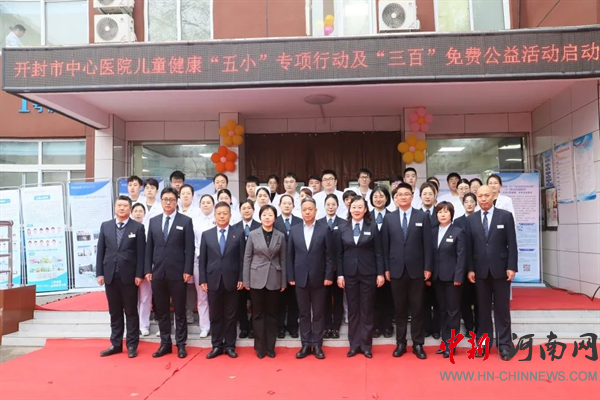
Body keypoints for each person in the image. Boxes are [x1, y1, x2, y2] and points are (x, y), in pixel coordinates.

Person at [382, 183, 433, 360]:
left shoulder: (423, 216)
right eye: (399, 195)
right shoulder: (389, 218)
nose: (403, 197)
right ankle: (401, 342)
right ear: (395, 198)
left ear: (412, 196)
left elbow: (428, 244)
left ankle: (418, 343)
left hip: (417, 270)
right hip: (396, 270)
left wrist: (428, 267)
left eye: (406, 194)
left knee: (417, 308)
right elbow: (385, 246)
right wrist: (386, 268)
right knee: (400, 309)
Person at [466, 185, 517, 361]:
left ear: (493, 196)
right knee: (483, 311)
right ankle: (483, 344)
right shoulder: (471, 219)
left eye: (486, 195)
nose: (483, 199)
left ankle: (505, 346)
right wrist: (470, 269)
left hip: (501, 270)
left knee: (502, 310)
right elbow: (469, 247)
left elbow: (512, 244)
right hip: (479, 272)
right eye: (480, 196)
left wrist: (512, 267)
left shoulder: (505, 216)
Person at [145, 188, 195, 359]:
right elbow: (149, 248)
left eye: (171, 199)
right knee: (161, 310)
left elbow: (190, 248)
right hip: (158, 273)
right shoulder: (153, 221)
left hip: (178, 273)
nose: (168, 202)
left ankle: (181, 344)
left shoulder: (185, 221)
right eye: (165, 199)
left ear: (176, 201)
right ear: (161, 201)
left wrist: (187, 270)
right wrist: (148, 269)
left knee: (180, 310)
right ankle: (165, 343)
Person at [96, 195, 146, 358]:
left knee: (131, 312)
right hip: (110, 275)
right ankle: (116, 344)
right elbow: (100, 251)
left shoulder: (137, 228)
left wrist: (139, 274)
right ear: (115, 208)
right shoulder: (106, 226)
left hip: (129, 277)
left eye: (125, 206)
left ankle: (131, 345)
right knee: (114, 312)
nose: (122, 208)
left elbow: (141, 253)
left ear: (130, 208)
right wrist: (99, 273)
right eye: (119, 205)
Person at [336, 196, 384, 358]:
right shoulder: (343, 228)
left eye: (360, 207)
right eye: (354, 207)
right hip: (349, 274)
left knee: (367, 309)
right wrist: (340, 275)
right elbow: (339, 254)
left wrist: (380, 273)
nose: (356, 210)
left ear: (365, 209)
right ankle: (354, 344)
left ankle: (366, 345)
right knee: (353, 309)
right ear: (349, 209)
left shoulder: (373, 226)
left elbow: (379, 252)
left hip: (368, 273)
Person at [287, 198, 334, 359]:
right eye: (304, 209)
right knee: (304, 313)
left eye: (310, 209)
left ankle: (317, 344)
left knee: (319, 313)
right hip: (300, 278)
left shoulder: (324, 229)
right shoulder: (294, 230)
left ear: (315, 210)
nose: (307, 212)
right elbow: (290, 255)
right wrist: (291, 276)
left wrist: (328, 276)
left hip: (319, 278)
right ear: (300, 211)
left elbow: (329, 256)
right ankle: (306, 344)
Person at [199, 202, 245, 359]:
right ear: (215, 215)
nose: (222, 216)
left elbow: (242, 258)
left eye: (225, 213)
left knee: (231, 315)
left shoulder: (238, 233)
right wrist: (203, 279)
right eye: (219, 213)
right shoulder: (207, 234)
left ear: (230, 216)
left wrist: (241, 277)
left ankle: (230, 346)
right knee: (215, 315)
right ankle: (217, 345)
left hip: (232, 280)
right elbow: (203, 260)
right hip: (213, 280)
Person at [243, 204, 287, 359]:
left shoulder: (280, 236)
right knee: (258, 314)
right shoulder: (253, 234)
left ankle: (270, 347)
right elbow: (247, 258)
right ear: (260, 217)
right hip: (256, 278)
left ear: (275, 218)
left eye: (270, 215)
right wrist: (246, 280)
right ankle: (260, 347)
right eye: (264, 215)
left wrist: (283, 281)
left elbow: (283, 259)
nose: (267, 218)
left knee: (272, 314)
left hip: (274, 277)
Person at [431, 202, 466, 359]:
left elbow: (461, 257)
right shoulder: (433, 232)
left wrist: (458, 276)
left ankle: (451, 345)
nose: (443, 215)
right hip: (437, 278)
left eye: (446, 212)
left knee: (453, 311)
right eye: (440, 212)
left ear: (451, 214)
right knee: (442, 311)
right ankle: (445, 342)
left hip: (453, 279)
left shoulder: (458, 232)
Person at [274, 194, 302, 339]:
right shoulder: (274, 222)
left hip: (297, 264)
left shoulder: (299, 221)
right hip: (279, 265)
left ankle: (293, 326)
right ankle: (280, 327)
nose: (286, 205)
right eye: (284, 203)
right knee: (280, 299)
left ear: (293, 206)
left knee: (294, 299)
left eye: (289, 203)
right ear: (279, 205)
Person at [234, 200, 261, 339]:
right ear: (240, 211)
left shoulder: (260, 226)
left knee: (256, 301)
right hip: (239, 269)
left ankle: (253, 327)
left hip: (256, 269)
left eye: (249, 208)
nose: (246, 210)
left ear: (253, 210)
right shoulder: (234, 228)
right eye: (243, 208)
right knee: (240, 301)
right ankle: (244, 327)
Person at [370, 186, 394, 339]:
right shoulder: (366, 216)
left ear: (387, 198)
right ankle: (376, 326)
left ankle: (387, 325)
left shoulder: (393, 216)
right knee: (373, 296)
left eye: (381, 196)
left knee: (388, 296)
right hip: (370, 263)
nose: (378, 199)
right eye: (375, 196)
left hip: (390, 262)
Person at [319, 193, 345, 339]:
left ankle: (336, 327)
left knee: (338, 298)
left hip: (339, 268)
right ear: (324, 206)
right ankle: (327, 326)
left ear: (337, 206)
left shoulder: (343, 223)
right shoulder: (319, 223)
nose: (330, 207)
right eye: (328, 204)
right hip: (322, 269)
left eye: (333, 204)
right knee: (324, 299)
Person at [453, 192, 478, 337]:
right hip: (463, 265)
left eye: (472, 201)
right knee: (465, 299)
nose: (469, 204)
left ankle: (479, 326)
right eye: (466, 202)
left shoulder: (480, 219)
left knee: (479, 299)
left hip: (479, 265)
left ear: (476, 203)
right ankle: (469, 327)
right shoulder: (458, 222)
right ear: (463, 204)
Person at [190, 194, 215, 338]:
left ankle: (217, 324)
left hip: (216, 261)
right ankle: (204, 326)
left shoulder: (218, 218)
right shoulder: (194, 220)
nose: (205, 205)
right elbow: (192, 241)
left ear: (213, 204)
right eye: (203, 202)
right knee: (202, 296)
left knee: (216, 295)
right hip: (199, 260)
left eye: (208, 202)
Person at [179, 184, 200, 325]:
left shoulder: (198, 212)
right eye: (183, 193)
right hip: (176, 253)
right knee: (177, 285)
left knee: (190, 285)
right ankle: (179, 313)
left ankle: (189, 312)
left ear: (193, 196)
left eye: (188, 193)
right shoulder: (175, 209)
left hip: (192, 251)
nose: (185, 196)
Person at [131, 203, 152, 337]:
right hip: (130, 269)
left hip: (146, 268)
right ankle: (134, 326)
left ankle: (144, 325)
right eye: (136, 211)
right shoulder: (128, 228)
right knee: (131, 299)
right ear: (131, 213)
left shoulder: (149, 228)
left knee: (145, 298)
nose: (138, 213)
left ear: (145, 214)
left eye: (141, 211)